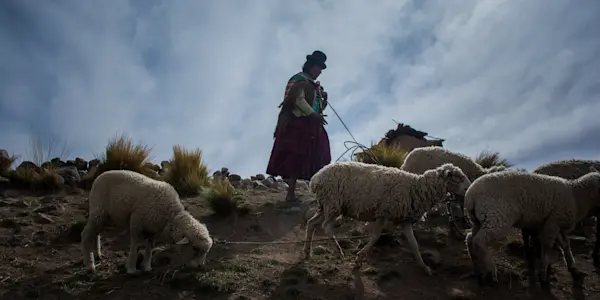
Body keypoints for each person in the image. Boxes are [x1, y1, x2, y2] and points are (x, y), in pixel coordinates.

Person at [266, 50, 331, 201]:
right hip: (298, 123)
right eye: (318, 68)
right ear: (310, 66)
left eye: (321, 69)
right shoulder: (300, 81)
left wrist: (324, 100)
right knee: (295, 157)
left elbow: (318, 107)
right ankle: (290, 193)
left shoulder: (315, 88)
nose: (319, 72)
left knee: (319, 155)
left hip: (312, 125)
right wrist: (312, 114)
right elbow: (298, 100)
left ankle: (319, 191)